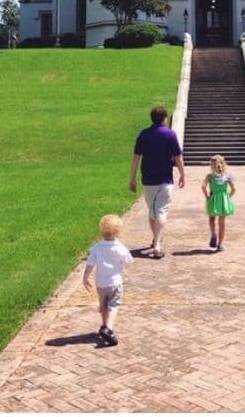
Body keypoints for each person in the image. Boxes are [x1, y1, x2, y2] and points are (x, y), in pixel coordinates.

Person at [129, 105, 185, 259]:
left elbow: (136, 157)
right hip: (165, 179)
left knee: (153, 211)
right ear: (165, 118)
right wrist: (182, 174)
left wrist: (132, 178)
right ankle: (157, 245)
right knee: (160, 211)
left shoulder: (144, 134)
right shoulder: (170, 134)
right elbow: (178, 157)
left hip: (148, 179)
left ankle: (156, 239)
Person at [82, 214, 133, 346]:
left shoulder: (97, 247)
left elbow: (90, 263)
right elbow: (129, 262)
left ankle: (104, 324)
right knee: (114, 306)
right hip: (115, 283)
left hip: (101, 284)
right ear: (118, 232)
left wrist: (85, 277)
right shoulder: (120, 248)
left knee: (103, 305)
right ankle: (108, 328)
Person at [202, 154, 236, 251]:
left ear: (212, 165)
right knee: (222, 223)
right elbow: (234, 189)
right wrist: (227, 197)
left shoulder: (210, 176)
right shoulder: (228, 176)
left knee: (211, 218)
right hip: (224, 200)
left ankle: (213, 233)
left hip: (213, 199)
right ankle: (220, 245)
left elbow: (203, 186)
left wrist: (207, 196)